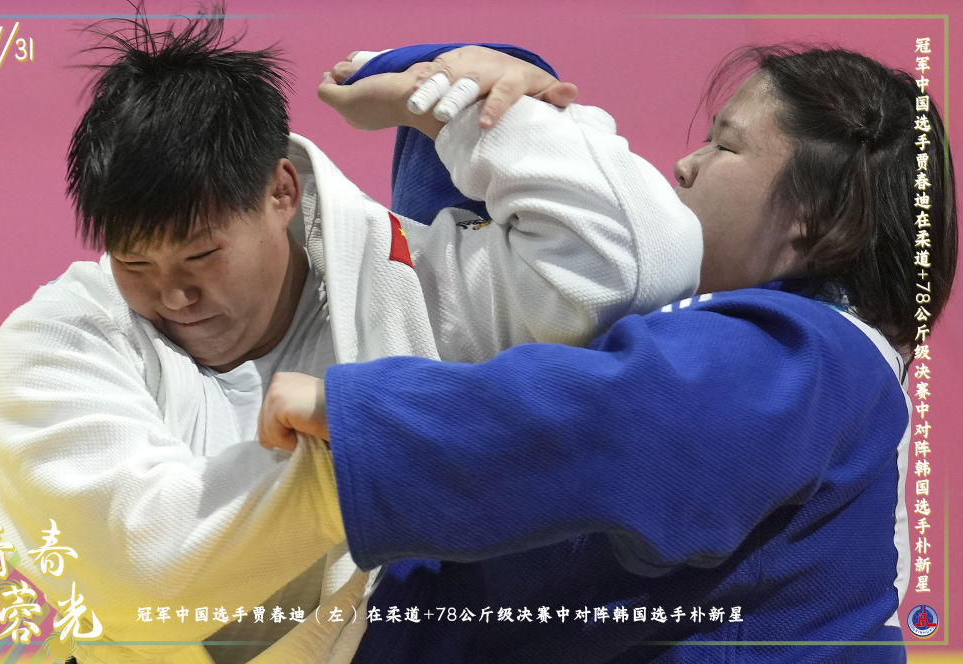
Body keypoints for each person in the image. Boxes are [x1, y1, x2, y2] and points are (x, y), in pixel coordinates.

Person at [0, 9, 703, 664]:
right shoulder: (57, 342)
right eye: (136, 263)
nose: (173, 296)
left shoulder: (411, 283)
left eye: (202, 255)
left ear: (281, 191)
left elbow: (641, 264)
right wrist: (379, 447)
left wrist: (464, 107)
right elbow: (149, 579)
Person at [259, 45, 958, 662]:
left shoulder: (806, 357)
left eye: (725, 146)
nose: (685, 165)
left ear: (818, 210)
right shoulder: (822, 370)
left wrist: (360, 414)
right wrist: (476, 97)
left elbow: (609, 421)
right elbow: (496, 309)